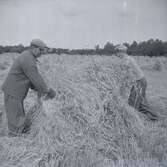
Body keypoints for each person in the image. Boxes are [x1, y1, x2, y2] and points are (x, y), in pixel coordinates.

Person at [1, 39, 56, 136]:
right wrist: (48, 91)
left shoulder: (27, 56)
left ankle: (17, 138)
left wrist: (37, 88)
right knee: (16, 121)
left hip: (15, 92)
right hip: (13, 93)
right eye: (41, 50)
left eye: (43, 50)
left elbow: (29, 78)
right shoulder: (28, 60)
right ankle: (14, 144)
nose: (42, 53)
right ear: (34, 48)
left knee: (18, 117)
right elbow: (36, 78)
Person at [115, 44, 158, 121]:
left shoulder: (126, 60)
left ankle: (154, 117)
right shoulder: (128, 59)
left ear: (121, 52)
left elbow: (125, 75)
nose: (116, 55)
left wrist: (119, 85)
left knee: (135, 103)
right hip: (139, 82)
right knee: (137, 101)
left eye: (117, 53)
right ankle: (148, 117)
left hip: (139, 82)